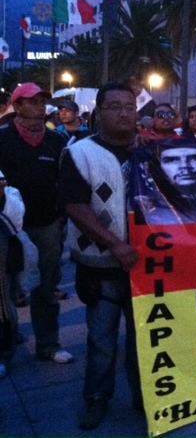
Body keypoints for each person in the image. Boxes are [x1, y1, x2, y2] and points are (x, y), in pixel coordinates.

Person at [59, 82, 142, 430]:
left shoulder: (150, 151)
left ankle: (147, 397)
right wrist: (115, 244)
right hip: (100, 264)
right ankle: (97, 397)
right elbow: (75, 206)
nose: (124, 113)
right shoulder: (79, 154)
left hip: (145, 266)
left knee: (145, 338)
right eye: (115, 107)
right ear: (99, 112)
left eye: (129, 107)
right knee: (102, 338)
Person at [0, 83, 73, 364]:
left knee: (45, 288)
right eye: (32, 101)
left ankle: (48, 345)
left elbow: (66, 181)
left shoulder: (57, 141)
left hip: (46, 225)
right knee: (5, 290)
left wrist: (61, 217)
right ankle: (6, 349)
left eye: (42, 101)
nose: (40, 106)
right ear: (17, 106)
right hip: (7, 229)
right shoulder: (3, 138)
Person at [0, 170, 25, 378]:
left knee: (5, 307)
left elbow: (15, 222)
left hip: (5, 258)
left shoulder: (11, 193)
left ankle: (4, 355)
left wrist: (2, 195)